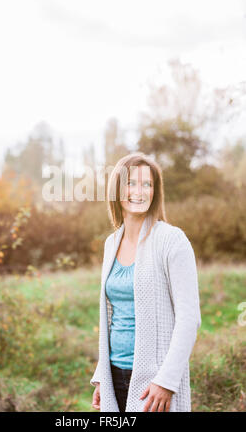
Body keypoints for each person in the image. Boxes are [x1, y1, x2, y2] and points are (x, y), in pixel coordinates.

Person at [91, 152, 202, 412]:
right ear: (118, 190)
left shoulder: (172, 240)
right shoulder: (111, 243)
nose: (139, 191)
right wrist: (102, 377)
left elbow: (189, 318)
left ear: (155, 192)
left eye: (147, 184)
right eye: (131, 183)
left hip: (154, 382)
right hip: (114, 375)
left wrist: (166, 381)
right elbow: (112, 317)